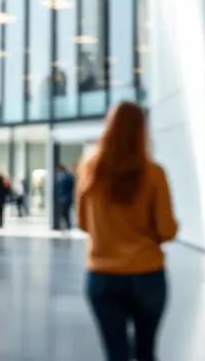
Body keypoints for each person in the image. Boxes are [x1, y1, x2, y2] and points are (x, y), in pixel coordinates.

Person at [78, 101, 178, 361]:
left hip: (102, 276)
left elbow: (83, 224)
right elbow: (167, 231)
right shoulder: (154, 174)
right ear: (141, 131)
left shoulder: (90, 170)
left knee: (116, 353)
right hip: (147, 275)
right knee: (146, 352)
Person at [55, 163, 75, 230]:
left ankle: (67, 225)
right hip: (68, 197)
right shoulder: (69, 176)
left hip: (64, 198)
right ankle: (68, 224)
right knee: (66, 212)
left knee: (64, 212)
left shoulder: (62, 177)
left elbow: (61, 188)